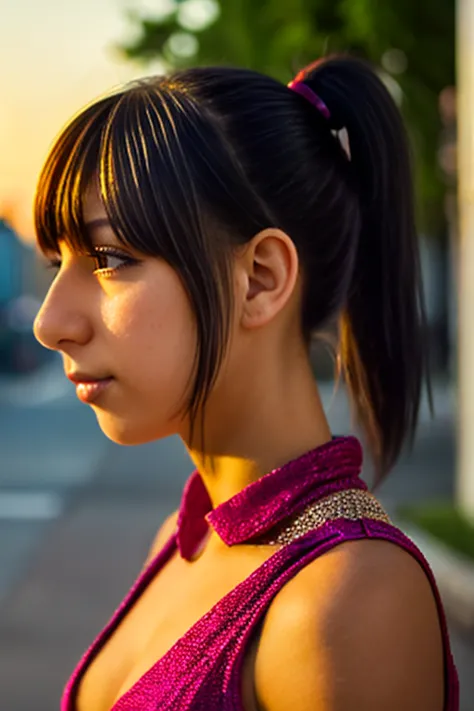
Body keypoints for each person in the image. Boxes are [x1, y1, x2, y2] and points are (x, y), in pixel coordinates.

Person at [33, 55, 459, 711]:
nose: (50, 322)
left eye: (110, 258)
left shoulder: (348, 598)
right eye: (57, 261)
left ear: (258, 278)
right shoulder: (186, 534)